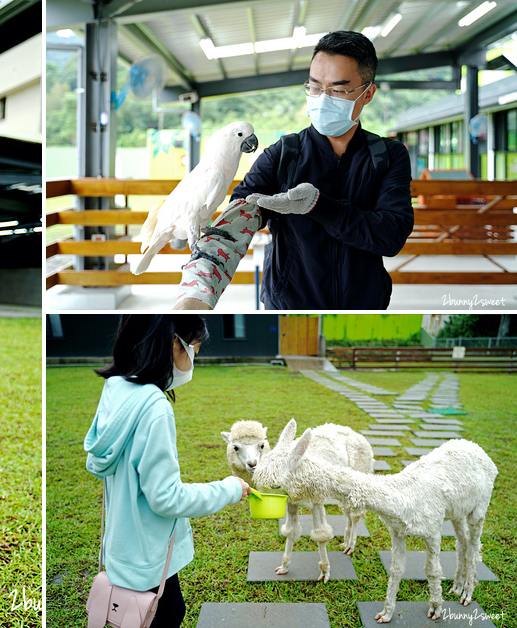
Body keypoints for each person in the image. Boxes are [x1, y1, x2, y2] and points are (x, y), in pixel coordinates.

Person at [175, 30, 413, 310]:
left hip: (364, 302)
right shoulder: (284, 154)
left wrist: (319, 206)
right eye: (314, 87)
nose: (323, 98)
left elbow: (391, 236)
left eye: (337, 90)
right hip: (290, 304)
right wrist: (199, 287)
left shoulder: (387, 155)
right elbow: (238, 217)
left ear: (367, 93)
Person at [84, 315, 250, 628]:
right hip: (149, 556)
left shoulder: (115, 387)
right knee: (168, 615)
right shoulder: (154, 407)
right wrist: (229, 489)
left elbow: (98, 463)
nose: (193, 361)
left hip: (120, 550)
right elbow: (166, 498)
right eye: (194, 351)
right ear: (174, 343)